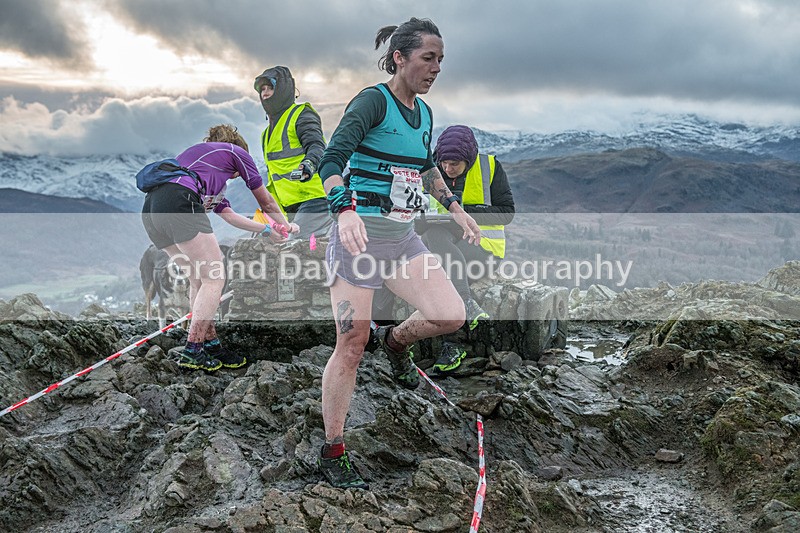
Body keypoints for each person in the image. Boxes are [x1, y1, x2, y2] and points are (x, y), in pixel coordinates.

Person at [316, 17, 482, 490]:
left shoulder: (425, 114)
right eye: (428, 58)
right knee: (350, 345)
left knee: (450, 314)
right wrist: (343, 211)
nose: (436, 68)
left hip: (403, 239)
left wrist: (454, 207)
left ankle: (395, 345)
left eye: (441, 61)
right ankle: (333, 451)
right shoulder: (373, 101)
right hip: (359, 239)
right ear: (399, 58)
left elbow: (427, 168)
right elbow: (332, 160)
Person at [141, 124, 296, 372]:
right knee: (215, 279)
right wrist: (287, 226)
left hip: (152, 211)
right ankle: (193, 350)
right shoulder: (237, 152)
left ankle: (210, 344)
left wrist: (268, 230)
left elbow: (231, 217)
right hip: (180, 201)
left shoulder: (202, 170)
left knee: (199, 279)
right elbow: (265, 200)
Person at [421, 125, 515, 373]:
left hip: (484, 247)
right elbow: (416, 211)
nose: (448, 169)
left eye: (454, 164)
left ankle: (453, 344)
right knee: (434, 234)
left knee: (442, 273)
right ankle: (467, 306)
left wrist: (464, 213)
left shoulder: (490, 167)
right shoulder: (430, 171)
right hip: (442, 242)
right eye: (444, 163)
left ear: (468, 160)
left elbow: (507, 213)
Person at [254, 66, 331, 239]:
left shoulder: (301, 114)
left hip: (314, 199)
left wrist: (308, 165)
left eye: (270, 88)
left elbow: (317, 146)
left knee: (296, 247)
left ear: (283, 89)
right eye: (262, 90)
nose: (265, 93)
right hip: (285, 206)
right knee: (266, 245)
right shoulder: (265, 135)